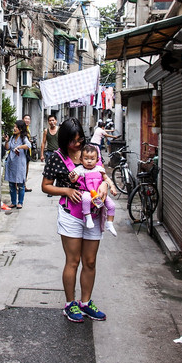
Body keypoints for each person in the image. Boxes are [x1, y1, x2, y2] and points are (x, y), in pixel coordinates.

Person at [42, 117, 110, 323]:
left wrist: (106, 185)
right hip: (70, 215)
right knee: (73, 261)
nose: (77, 144)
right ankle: (70, 304)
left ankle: (85, 302)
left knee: (90, 261)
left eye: (79, 139)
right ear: (64, 140)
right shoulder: (57, 157)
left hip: (94, 214)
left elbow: (103, 175)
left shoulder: (91, 152)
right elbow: (46, 186)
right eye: (72, 140)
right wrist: (67, 190)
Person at [71, 144, 118, 236]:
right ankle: (88, 217)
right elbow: (74, 179)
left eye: (92, 159)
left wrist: (112, 186)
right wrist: (72, 177)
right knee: (86, 199)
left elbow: (106, 179)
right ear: (81, 160)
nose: (89, 161)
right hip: (87, 192)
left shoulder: (99, 169)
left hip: (99, 194)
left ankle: (109, 223)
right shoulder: (80, 169)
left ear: (97, 160)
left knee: (112, 205)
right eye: (86, 158)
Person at [3, 119, 31, 209]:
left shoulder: (23, 138)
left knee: (20, 184)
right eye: (14, 127)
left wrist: (19, 147)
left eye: (16, 127)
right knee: (11, 184)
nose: (14, 128)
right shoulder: (12, 137)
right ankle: (13, 202)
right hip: (11, 163)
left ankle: (20, 202)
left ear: (21, 129)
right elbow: (7, 148)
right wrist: (6, 141)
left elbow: (28, 145)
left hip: (20, 164)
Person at [23, 114, 33, 191]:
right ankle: (18, 186)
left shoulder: (28, 129)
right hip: (22, 152)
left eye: (28, 119)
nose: (27, 120)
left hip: (28, 152)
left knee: (26, 169)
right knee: (21, 170)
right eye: (25, 118)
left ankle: (24, 185)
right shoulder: (21, 129)